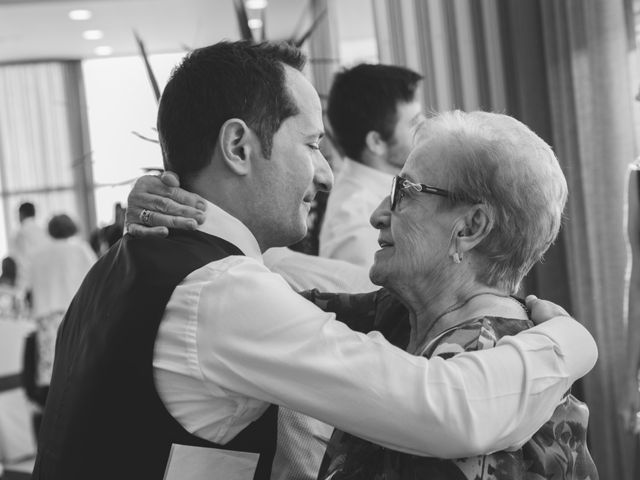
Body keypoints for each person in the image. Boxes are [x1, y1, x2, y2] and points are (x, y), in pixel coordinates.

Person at [35, 41, 595, 480]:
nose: (328, 175)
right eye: (310, 145)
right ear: (238, 147)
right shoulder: (221, 293)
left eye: (403, 193)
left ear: (472, 227)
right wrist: (572, 341)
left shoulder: (126, 264)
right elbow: (448, 409)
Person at [319, 63, 423, 266]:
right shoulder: (355, 226)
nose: (425, 128)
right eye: (414, 123)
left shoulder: (399, 186)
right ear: (376, 142)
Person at [28, 214, 96, 395]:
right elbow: (95, 279)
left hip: (45, 315)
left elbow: (30, 286)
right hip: (73, 311)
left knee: (52, 372)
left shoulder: (37, 254)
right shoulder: (80, 249)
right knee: (76, 366)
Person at [9, 202, 50, 294]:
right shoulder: (43, 231)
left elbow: (20, 261)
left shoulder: (20, 233)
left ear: (21, 214)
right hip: (44, 280)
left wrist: (21, 287)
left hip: (28, 283)